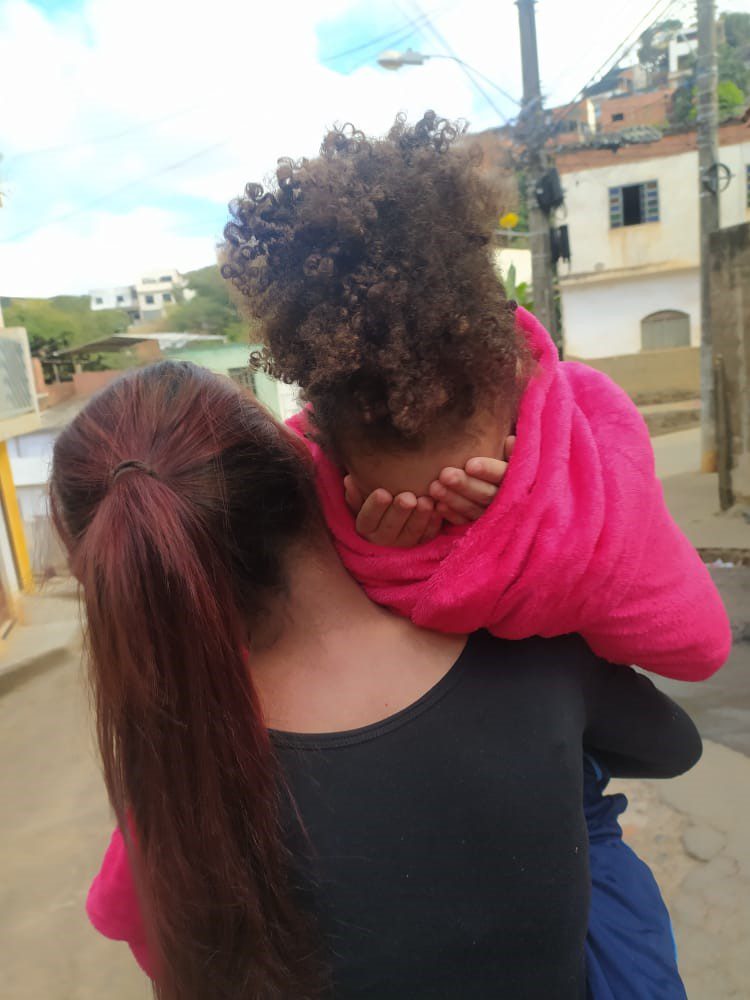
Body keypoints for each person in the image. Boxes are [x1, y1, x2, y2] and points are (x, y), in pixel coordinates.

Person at [220, 111, 732, 998]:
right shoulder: (296, 523)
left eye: (468, 497)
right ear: (328, 456)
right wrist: (376, 562)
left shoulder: (584, 449)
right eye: (409, 511)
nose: (445, 528)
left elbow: (695, 641)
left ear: (517, 390)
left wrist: (527, 523)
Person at [52, 361, 702, 1000]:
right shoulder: (523, 641)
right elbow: (671, 747)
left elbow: (136, 926)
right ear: (302, 464)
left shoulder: (181, 775)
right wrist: (497, 541)